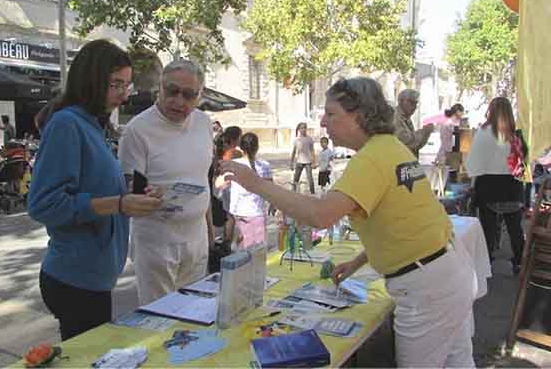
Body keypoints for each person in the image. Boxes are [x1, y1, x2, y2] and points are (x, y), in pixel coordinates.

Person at [221, 77, 477, 368]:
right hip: (447, 271)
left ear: (359, 116)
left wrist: (256, 184)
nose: (323, 121)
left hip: (427, 289)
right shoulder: (390, 147)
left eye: (331, 114)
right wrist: (358, 262)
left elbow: (320, 214)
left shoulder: (370, 159)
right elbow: (403, 220)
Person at [27, 39, 162, 341]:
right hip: (75, 280)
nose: (124, 95)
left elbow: (91, 185)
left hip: (94, 279)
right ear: (91, 79)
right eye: (116, 84)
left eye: (126, 85)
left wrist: (132, 192)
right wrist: (119, 203)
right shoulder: (66, 124)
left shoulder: (91, 125)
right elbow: (43, 204)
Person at [118, 59, 215, 305]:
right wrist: (143, 193)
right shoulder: (137, 130)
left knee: (193, 311)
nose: (179, 101)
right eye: (172, 91)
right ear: (159, 88)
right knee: (161, 315)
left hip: (197, 238)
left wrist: (210, 231)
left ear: (199, 96)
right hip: (156, 242)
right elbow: (129, 187)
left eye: (189, 95)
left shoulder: (204, 124)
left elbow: (203, 179)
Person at [465, 97, 525, 273]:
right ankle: (520, 261)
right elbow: (523, 162)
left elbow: (475, 162)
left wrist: (472, 182)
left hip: (488, 186)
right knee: (515, 228)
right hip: (512, 186)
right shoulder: (516, 133)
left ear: (491, 110)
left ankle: (486, 263)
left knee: (487, 229)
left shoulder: (484, 132)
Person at [229, 132, 272, 249]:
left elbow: (220, 184)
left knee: (243, 249)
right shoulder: (264, 165)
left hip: (239, 212)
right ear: (257, 147)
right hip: (256, 212)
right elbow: (271, 188)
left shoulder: (234, 164)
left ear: (241, 147)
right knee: (258, 249)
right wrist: (273, 204)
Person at [394, 89, 435, 157]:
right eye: (411, 103)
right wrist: (424, 131)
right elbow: (406, 142)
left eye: (416, 103)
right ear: (401, 101)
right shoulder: (395, 116)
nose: (415, 107)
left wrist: (426, 133)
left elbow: (416, 146)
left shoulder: (406, 118)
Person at [290, 122, 316, 194]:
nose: (303, 129)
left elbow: (312, 151)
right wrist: (291, 163)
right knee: (296, 179)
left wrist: (314, 162)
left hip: (308, 162)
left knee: (310, 179)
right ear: (299, 129)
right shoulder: (296, 139)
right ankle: (293, 193)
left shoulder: (309, 139)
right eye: (302, 128)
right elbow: (294, 152)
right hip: (299, 162)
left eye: (305, 127)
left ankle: (313, 193)